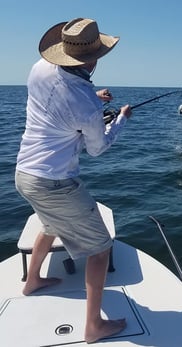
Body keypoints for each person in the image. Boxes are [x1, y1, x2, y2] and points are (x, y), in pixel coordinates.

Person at [15, 18, 131, 343]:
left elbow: (60, 99)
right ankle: (94, 326)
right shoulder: (88, 105)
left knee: (51, 225)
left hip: (24, 174)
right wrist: (119, 119)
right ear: (93, 59)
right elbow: (98, 148)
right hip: (56, 183)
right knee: (100, 248)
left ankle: (33, 280)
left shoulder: (39, 67)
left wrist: (93, 99)